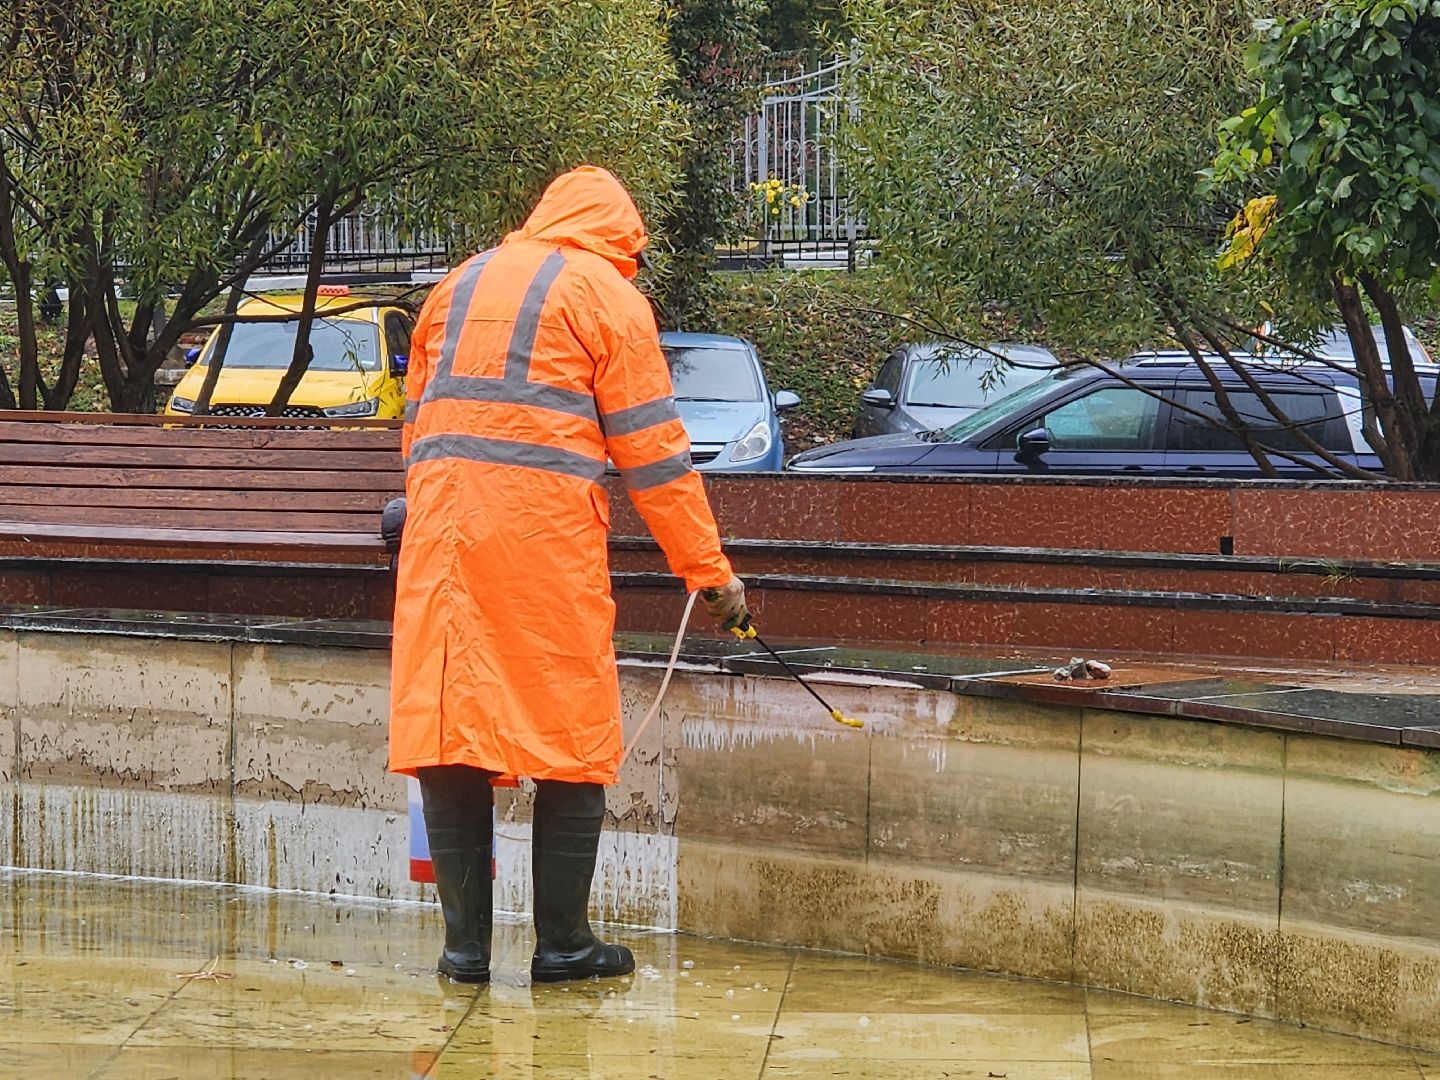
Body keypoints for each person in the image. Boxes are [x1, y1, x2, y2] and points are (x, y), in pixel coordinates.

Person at [389, 166, 747, 985]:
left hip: (441, 541)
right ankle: (564, 945)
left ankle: (464, 952)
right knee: (574, 728)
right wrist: (709, 573)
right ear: (620, 238)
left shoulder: (454, 287)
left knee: (451, 727)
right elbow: (655, 457)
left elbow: (418, 429)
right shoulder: (609, 300)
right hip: (544, 545)